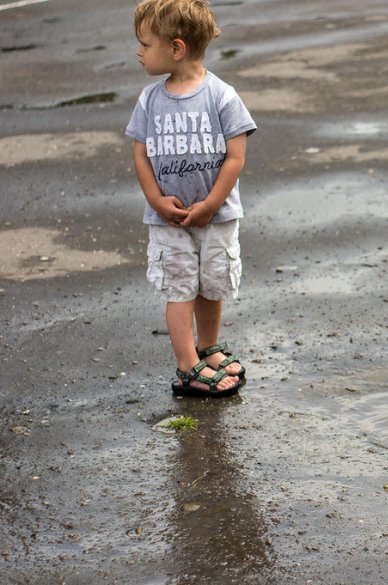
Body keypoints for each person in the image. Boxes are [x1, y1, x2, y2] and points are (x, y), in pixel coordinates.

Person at [126, 0, 257, 397]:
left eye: (145, 44)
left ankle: (207, 347)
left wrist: (213, 203)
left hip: (216, 215)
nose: (139, 51)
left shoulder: (221, 96)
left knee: (212, 283)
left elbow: (235, 157)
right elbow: (140, 153)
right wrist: (156, 200)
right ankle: (187, 366)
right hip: (169, 220)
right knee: (180, 286)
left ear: (176, 48)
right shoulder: (150, 99)